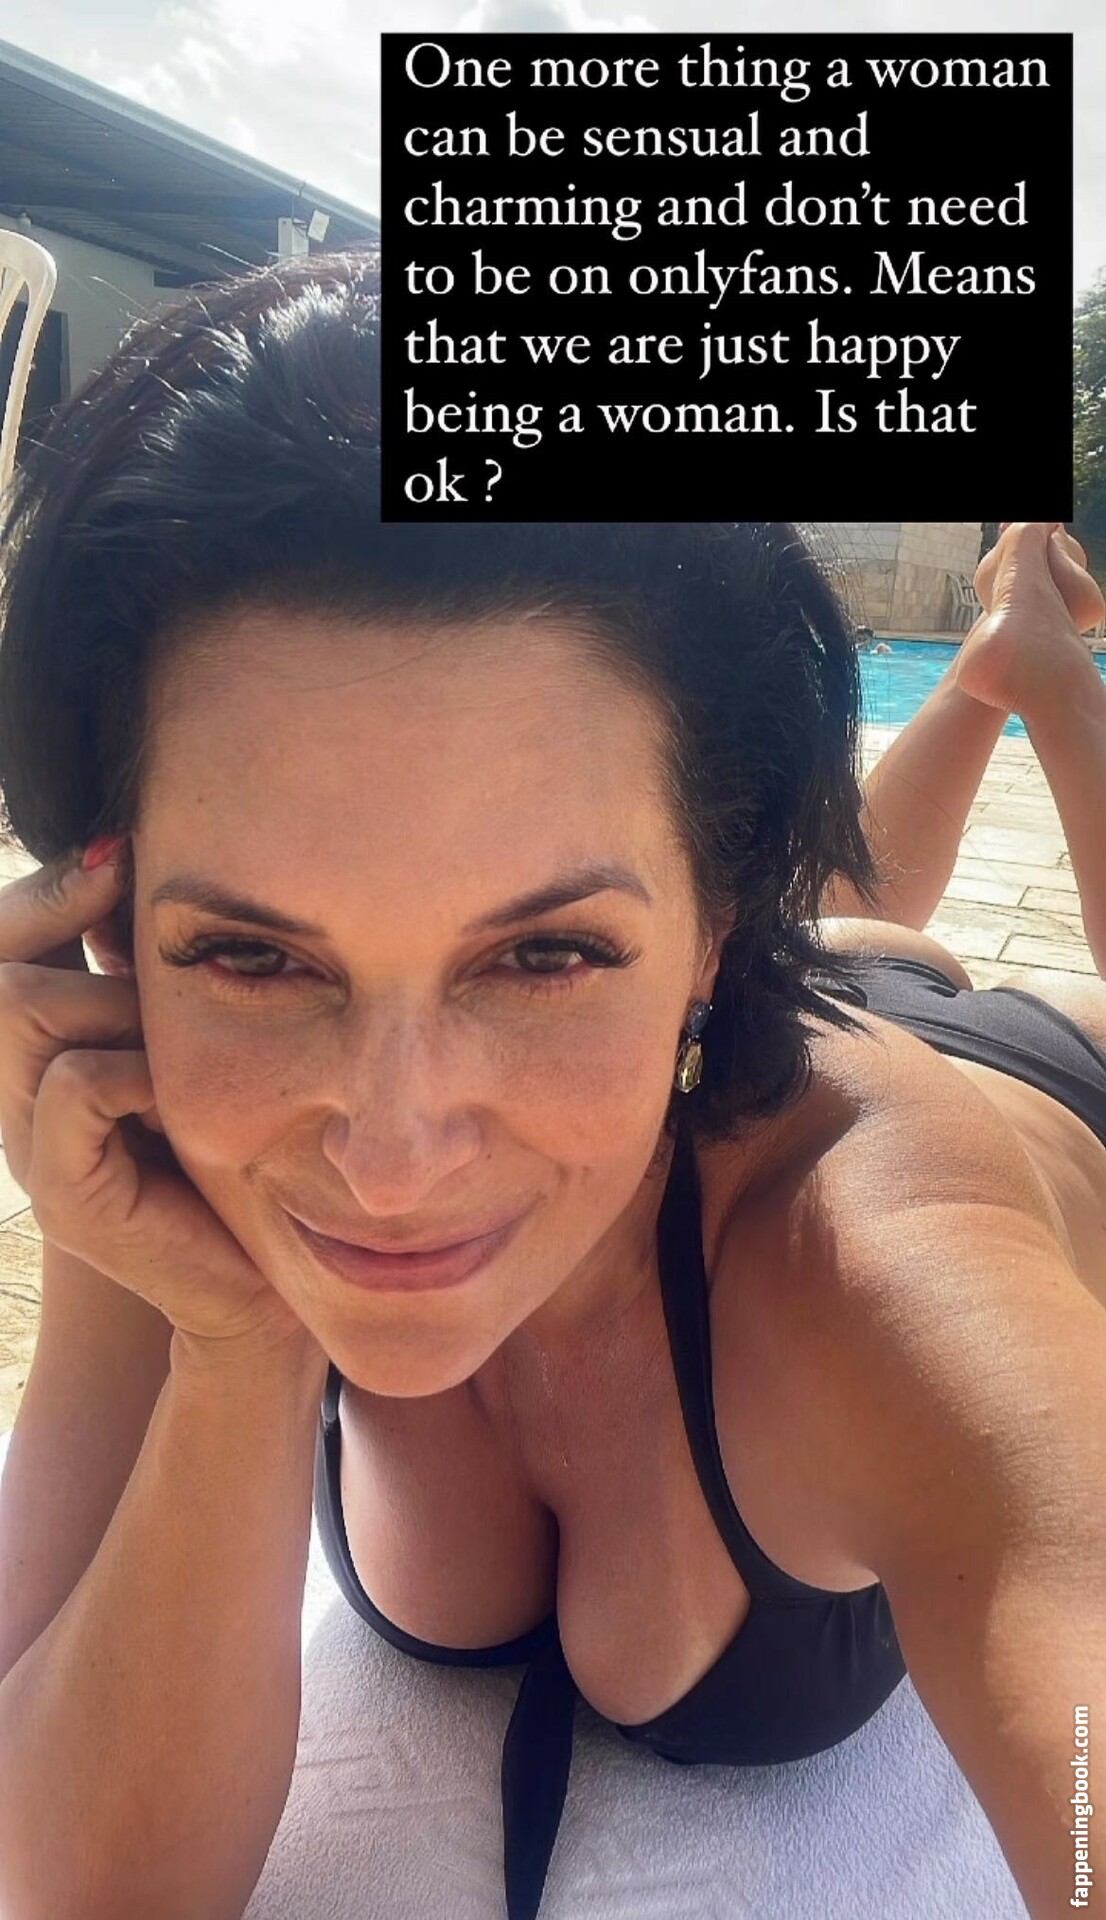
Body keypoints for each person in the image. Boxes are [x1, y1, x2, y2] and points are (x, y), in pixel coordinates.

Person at [0, 251, 1102, 1920]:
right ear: (116, 932)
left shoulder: (884, 1265)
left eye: (538, 956)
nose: (386, 1158)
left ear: (705, 939)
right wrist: (233, 1348)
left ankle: (1049, 677)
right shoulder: (155, 1117)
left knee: (865, 932)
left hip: (998, 1071)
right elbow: (78, 1885)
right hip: (721, 975)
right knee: (833, 904)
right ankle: (975, 677)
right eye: (254, 956)